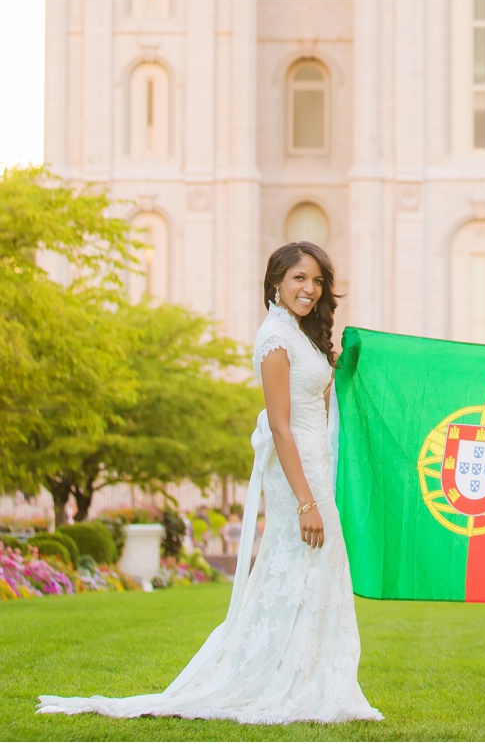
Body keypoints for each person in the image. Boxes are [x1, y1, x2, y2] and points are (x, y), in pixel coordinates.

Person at [37, 241, 382, 726]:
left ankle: (312, 677)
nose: (309, 289)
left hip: (316, 462)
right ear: (277, 283)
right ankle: (287, 680)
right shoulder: (275, 339)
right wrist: (305, 501)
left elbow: (321, 398)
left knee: (315, 570)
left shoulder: (302, 335)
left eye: (317, 281)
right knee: (306, 559)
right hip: (296, 470)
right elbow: (281, 425)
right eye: (299, 279)